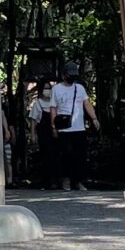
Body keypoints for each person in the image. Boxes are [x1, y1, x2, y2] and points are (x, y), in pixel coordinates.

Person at [47, 62, 99, 191]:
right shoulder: (56, 89)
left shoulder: (79, 88)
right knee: (65, 155)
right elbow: (53, 108)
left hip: (79, 127)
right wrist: (53, 126)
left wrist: (94, 118)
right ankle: (66, 179)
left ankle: (78, 181)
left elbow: (86, 103)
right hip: (64, 128)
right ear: (64, 75)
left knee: (80, 156)